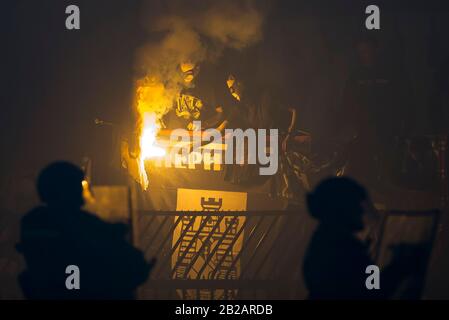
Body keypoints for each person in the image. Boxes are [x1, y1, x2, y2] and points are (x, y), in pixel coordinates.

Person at [16, 162, 153, 299]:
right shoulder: (79, 221)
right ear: (70, 189)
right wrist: (115, 232)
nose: (82, 189)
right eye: (78, 185)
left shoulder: (33, 220)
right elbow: (129, 261)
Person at [303, 177, 423, 299]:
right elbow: (374, 290)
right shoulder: (344, 246)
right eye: (356, 204)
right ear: (342, 209)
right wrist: (400, 264)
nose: (361, 210)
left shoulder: (324, 240)